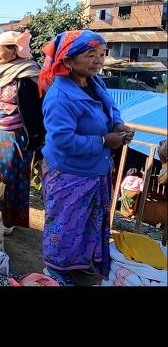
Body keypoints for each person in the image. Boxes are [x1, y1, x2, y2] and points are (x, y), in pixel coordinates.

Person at [38, 30, 134, 286]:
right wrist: (103, 140)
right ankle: (56, 270)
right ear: (68, 61)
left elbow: (110, 108)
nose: (98, 60)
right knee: (65, 225)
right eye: (90, 55)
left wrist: (118, 125)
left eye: (101, 55)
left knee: (85, 225)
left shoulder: (95, 84)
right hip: (69, 174)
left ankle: (78, 265)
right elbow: (62, 140)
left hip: (94, 170)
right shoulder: (60, 96)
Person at [0, 30, 43, 229]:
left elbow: (37, 108)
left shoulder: (29, 73)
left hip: (16, 136)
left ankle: (8, 220)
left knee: (11, 179)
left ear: (14, 51)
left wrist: (36, 136)